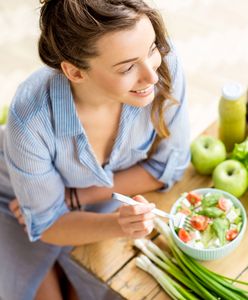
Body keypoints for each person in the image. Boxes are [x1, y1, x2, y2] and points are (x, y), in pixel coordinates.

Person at [0, 0, 190, 299]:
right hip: (14, 200)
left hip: (89, 198)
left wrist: (78, 197)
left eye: (151, 48)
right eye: (127, 67)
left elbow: (169, 165)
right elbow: (49, 223)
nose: (151, 76)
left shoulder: (162, 67)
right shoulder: (30, 116)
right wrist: (118, 223)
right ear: (75, 72)